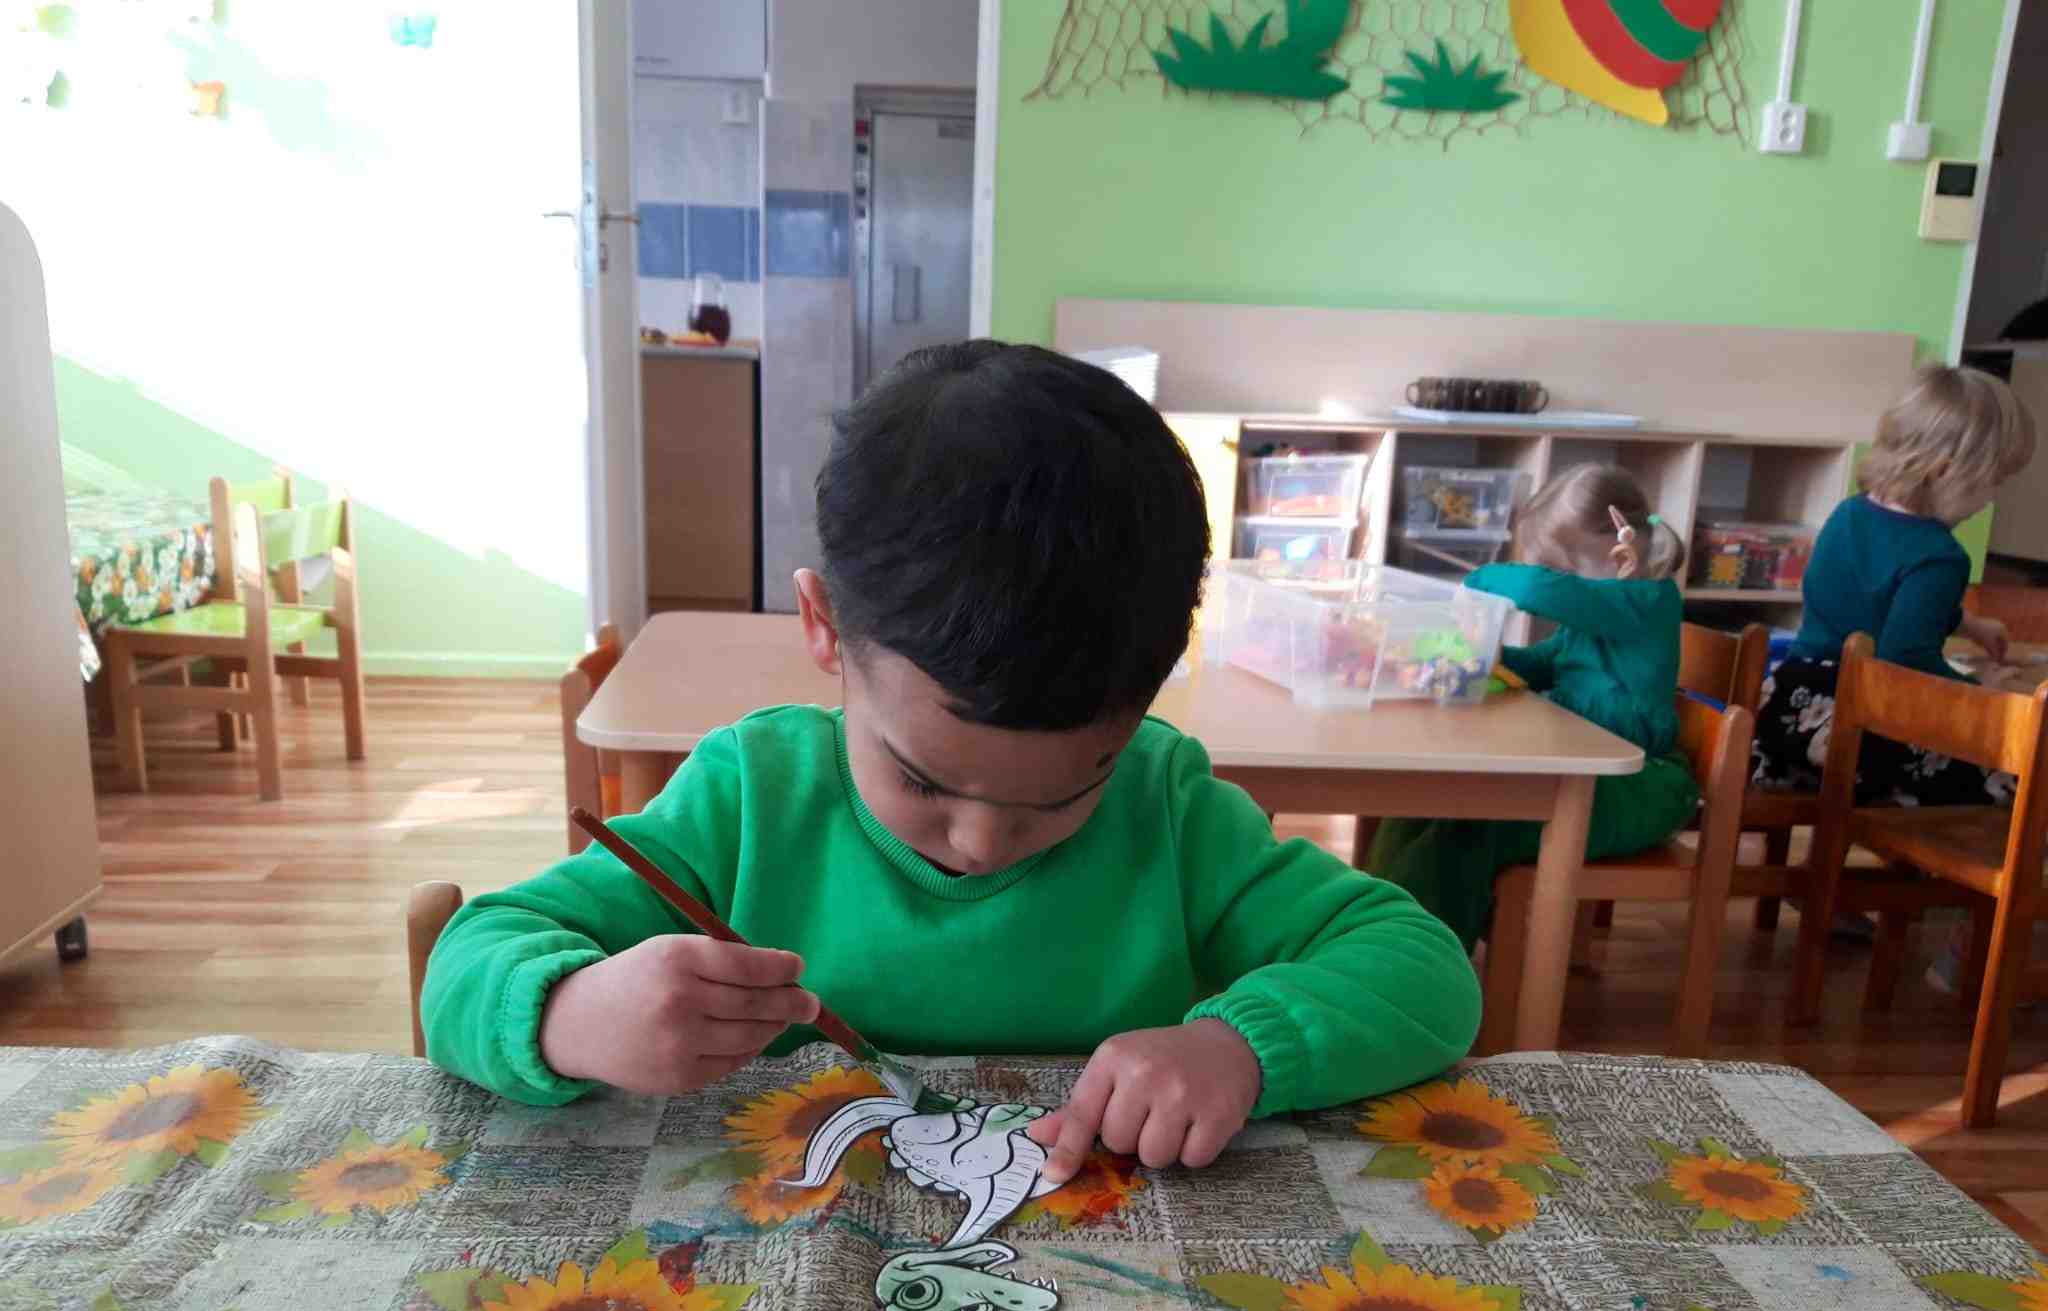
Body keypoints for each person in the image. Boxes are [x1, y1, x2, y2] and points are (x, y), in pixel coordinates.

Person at [422, 340, 1478, 1185]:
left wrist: (1242, 1047)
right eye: (923, 781)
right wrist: (569, 1014)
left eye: (1066, 792)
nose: (978, 843)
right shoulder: (749, 799)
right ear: (824, 627)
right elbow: (465, 964)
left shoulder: (1167, 808)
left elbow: (1422, 969)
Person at [1367, 464, 1698, 952]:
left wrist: (1479, 579)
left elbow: (1540, 591)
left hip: (1641, 785)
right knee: (1423, 801)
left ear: (1619, 553)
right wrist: (1489, 658)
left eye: (1563, 569)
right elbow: (1547, 662)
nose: (1558, 582)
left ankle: (1419, 957)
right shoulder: (1598, 617)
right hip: (1582, 772)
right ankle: (1370, 933)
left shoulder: (1646, 602)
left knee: (1473, 827)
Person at [1751, 365, 2038, 807]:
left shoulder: (1848, 514)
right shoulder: (1939, 556)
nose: (1992, 499)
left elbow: (1871, 602)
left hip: (1788, 711)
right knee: (2018, 773)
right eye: (1994, 481)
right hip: (1858, 733)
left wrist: (1969, 624)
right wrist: (1982, 695)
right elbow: (1906, 661)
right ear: (1946, 472)